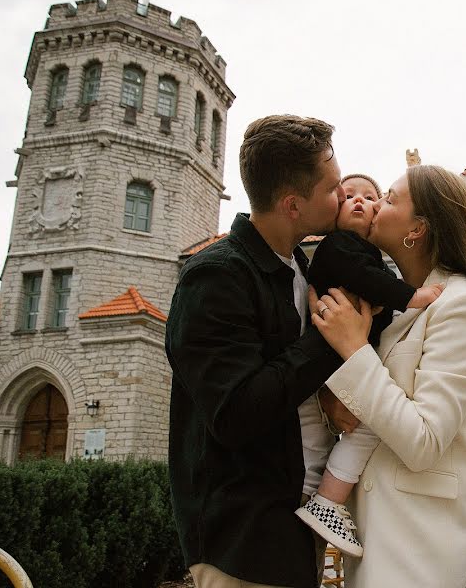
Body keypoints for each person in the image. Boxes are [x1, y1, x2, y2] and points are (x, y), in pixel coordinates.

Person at [165, 114, 352, 588]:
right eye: (332, 188)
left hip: (295, 523)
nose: (343, 197)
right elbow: (236, 412)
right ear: (293, 204)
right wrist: (329, 339)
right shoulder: (217, 276)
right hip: (246, 541)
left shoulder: (300, 269)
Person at [308, 164, 466, 587]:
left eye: (389, 198)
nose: (374, 204)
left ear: (417, 228)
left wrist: (353, 347)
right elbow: (374, 401)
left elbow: (423, 442)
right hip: (378, 528)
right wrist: (331, 403)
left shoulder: (464, 305)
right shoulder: (392, 304)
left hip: (420, 536)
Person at [295, 173, 443, 557]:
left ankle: (326, 499)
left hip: (344, 358)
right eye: (348, 196)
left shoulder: (366, 255)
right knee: (364, 431)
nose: (359, 201)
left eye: (371, 197)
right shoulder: (340, 246)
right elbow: (370, 283)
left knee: (362, 430)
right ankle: (326, 501)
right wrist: (414, 296)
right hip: (334, 355)